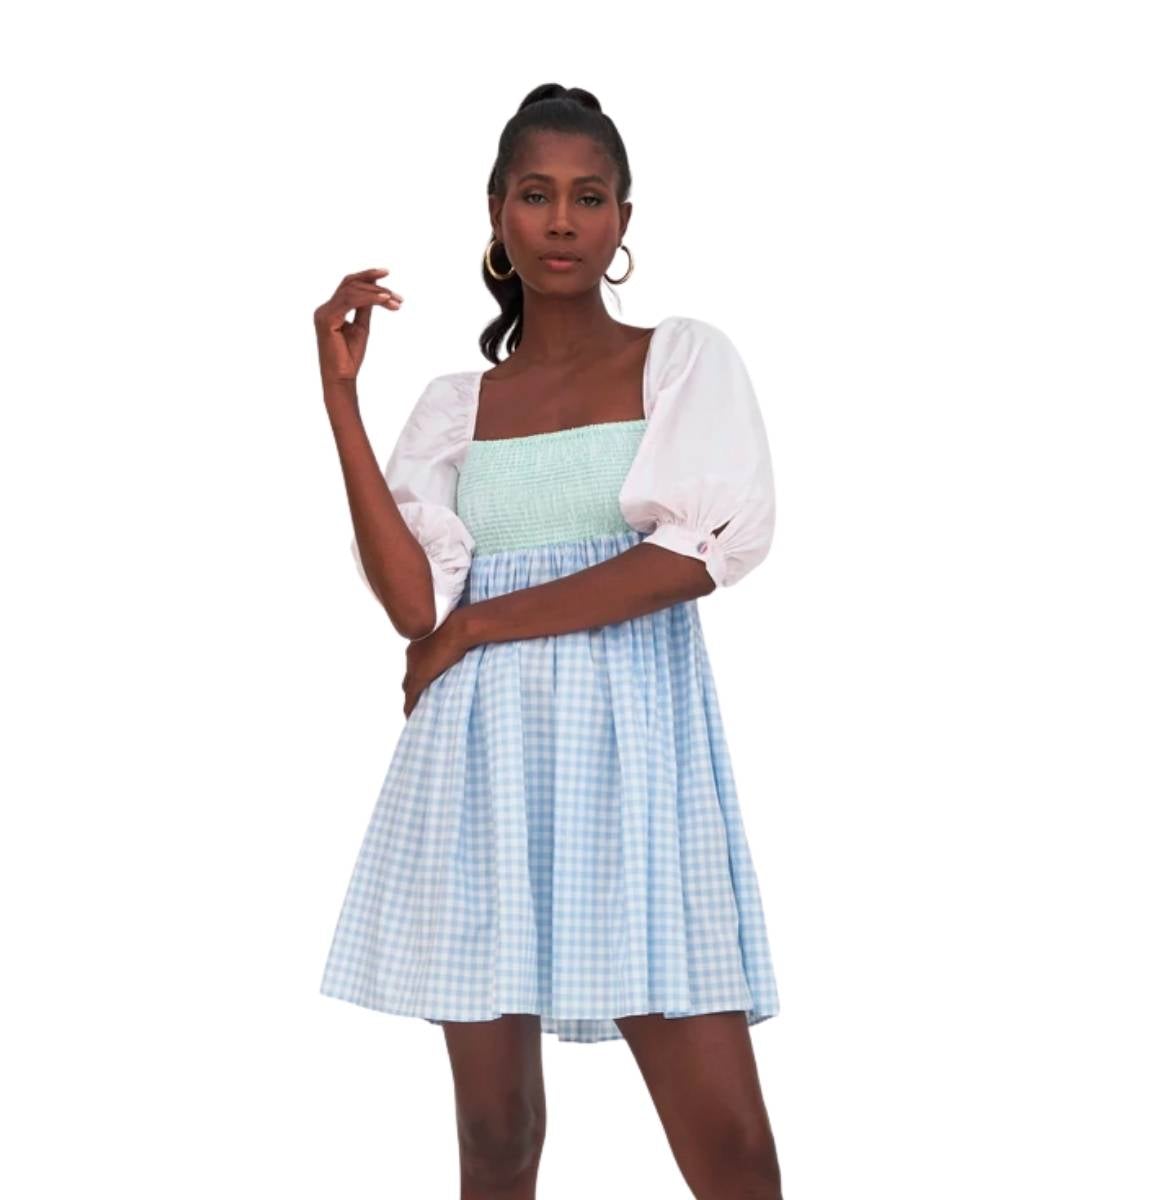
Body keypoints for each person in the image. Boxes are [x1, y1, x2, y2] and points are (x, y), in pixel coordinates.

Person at [313, 83, 784, 1200]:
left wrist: (480, 622)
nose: (563, 221)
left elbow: (693, 558)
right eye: (536, 195)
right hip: (481, 771)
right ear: (497, 213)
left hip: (640, 766)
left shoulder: (680, 360)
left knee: (731, 1149)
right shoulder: (454, 405)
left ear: (624, 220)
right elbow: (414, 607)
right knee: (497, 1133)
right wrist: (340, 399)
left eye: (589, 197)